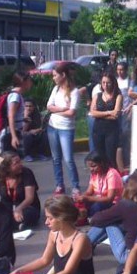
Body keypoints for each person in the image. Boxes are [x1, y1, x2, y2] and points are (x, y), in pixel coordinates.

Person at [6, 195, 97, 274]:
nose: (46, 222)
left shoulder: (80, 239)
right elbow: (44, 260)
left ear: (62, 218)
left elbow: (67, 273)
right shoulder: (54, 234)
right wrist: (18, 271)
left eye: (50, 218)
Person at [88, 173, 137, 265]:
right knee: (113, 220)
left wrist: (90, 219)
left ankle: (85, 244)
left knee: (109, 223)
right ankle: (86, 244)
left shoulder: (125, 205)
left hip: (129, 255)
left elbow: (97, 219)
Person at [46, 62, 81, 197]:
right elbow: (49, 106)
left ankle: (75, 186)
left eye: (55, 75)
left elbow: (72, 113)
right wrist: (62, 109)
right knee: (56, 158)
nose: (53, 78)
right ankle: (59, 184)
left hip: (66, 129)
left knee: (68, 159)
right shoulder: (55, 89)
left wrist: (56, 111)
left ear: (63, 75)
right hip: (52, 127)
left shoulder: (74, 92)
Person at [0, 152, 40, 230]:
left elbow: (29, 198)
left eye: (20, 161)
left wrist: (18, 209)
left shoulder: (27, 173)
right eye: (16, 163)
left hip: (26, 207)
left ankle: (6, 225)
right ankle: (14, 225)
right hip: (7, 208)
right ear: (7, 167)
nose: (21, 164)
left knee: (29, 214)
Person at [90, 72, 123, 169]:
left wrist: (99, 114)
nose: (105, 85)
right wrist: (109, 112)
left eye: (108, 83)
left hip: (111, 131)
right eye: (103, 82)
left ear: (113, 83)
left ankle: (113, 180)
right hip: (98, 130)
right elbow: (92, 113)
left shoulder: (118, 96)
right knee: (99, 157)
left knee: (110, 158)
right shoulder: (97, 96)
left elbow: (116, 115)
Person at [79, 151, 123, 217]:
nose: (91, 169)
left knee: (97, 206)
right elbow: (89, 191)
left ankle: (91, 219)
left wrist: (88, 198)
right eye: (89, 167)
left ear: (102, 163)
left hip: (113, 203)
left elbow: (109, 198)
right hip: (99, 200)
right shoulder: (95, 174)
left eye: (94, 166)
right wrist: (81, 197)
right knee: (78, 204)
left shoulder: (112, 174)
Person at [2, 72, 33, 153]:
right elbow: (11, 116)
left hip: (15, 131)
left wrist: (23, 119)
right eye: (29, 80)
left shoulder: (17, 95)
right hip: (12, 132)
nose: (31, 83)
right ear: (23, 82)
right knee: (12, 161)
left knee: (15, 161)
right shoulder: (15, 96)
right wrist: (14, 136)